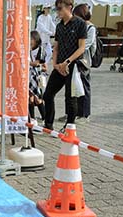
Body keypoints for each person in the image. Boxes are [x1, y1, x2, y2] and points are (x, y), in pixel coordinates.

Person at [43, 0, 87, 131]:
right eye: (56, 9)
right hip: (59, 66)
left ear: (69, 7)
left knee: (70, 97)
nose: (58, 12)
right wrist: (55, 64)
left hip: (72, 65)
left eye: (60, 8)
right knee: (48, 94)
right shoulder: (59, 26)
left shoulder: (80, 24)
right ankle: (48, 123)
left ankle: (69, 126)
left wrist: (67, 62)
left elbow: (82, 48)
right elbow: (56, 47)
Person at [73, 4, 96, 123]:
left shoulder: (90, 28)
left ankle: (85, 114)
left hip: (84, 62)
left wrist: (74, 49)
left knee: (85, 87)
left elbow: (86, 45)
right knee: (75, 87)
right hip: (76, 59)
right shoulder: (79, 26)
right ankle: (74, 113)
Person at [29, 31, 47, 124]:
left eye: (32, 39)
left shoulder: (41, 49)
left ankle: (45, 118)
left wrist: (28, 63)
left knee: (38, 98)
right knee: (30, 97)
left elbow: (39, 63)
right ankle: (32, 118)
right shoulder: (27, 50)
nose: (30, 41)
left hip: (38, 77)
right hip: (29, 77)